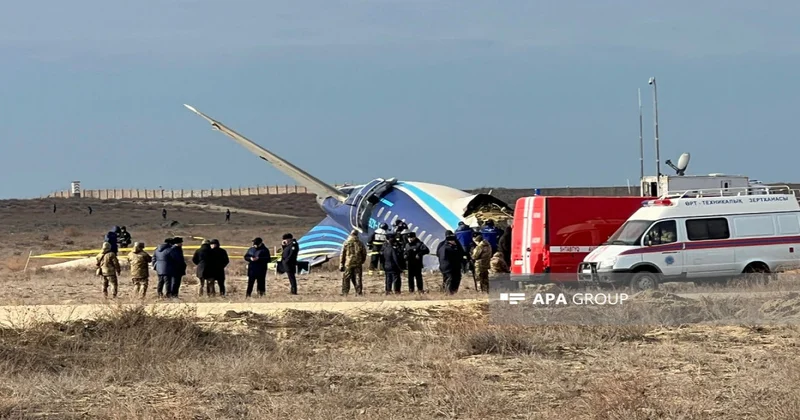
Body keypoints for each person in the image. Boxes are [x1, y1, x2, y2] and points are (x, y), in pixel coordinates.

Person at [340, 229, 367, 296]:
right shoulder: (360, 243)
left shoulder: (346, 243)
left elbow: (342, 254)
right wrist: (362, 261)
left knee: (346, 278)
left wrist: (341, 263)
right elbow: (364, 253)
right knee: (358, 277)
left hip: (348, 263)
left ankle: (345, 292)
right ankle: (358, 292)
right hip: (358, 263)